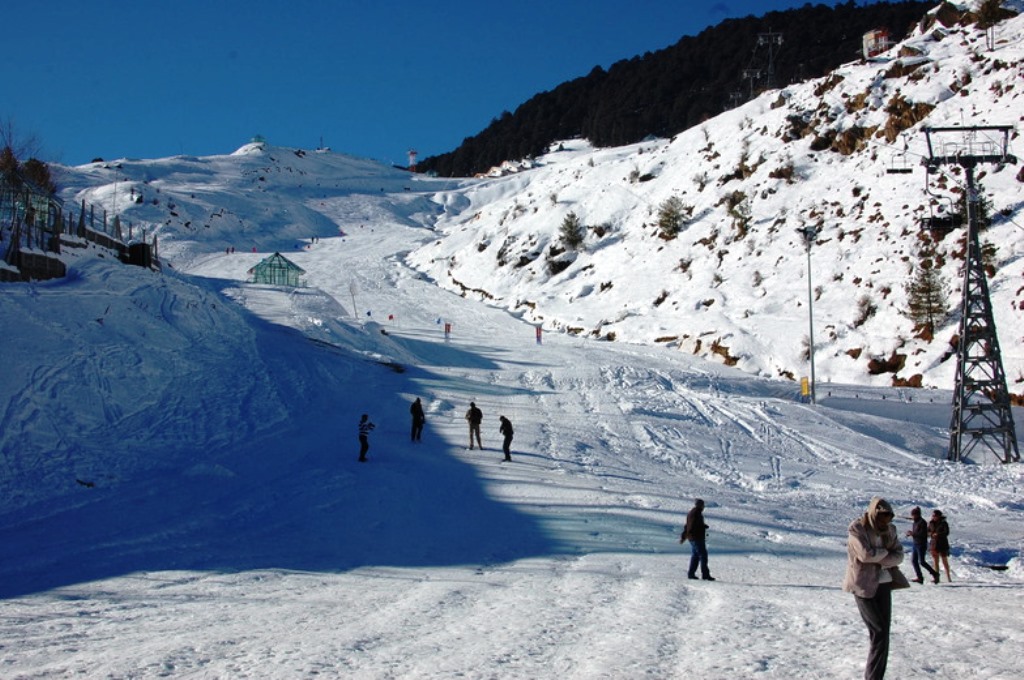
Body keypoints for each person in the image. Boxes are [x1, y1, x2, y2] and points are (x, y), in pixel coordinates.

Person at [843, 497, 909, 680]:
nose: (885, 521)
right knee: (878, 631)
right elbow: (865, 554)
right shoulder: (858, 528)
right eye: (881, 516)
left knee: (883, 634)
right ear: (874, 513)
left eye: (888, 517)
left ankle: (876, 676)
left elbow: (899, 556)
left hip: (884, 583)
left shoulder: (890, 530)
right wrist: (886, 555)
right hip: (863, 586)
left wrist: (879, 555)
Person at [680, 498, 714, 581]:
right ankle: (705, 575)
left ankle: (691, 574)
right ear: (699, 505)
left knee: (695, 556)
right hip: (696, 538)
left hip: (693, 538)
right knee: (703, 556)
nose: (703, 507)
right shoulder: (696, 513)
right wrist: (686, 535)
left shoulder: (693, 512)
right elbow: (691, 526)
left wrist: (702, 526)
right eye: (702, 505)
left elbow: (688, 525)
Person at [905, 507, 938, 584]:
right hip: (915, 543)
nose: (912, 517)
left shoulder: (922, 522)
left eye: (913, 515)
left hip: (921, 544)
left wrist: (913, 533)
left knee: (922, 562)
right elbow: (916, 533)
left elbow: (923, 534)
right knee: (914, 561)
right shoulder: (915, 522)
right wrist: (911, 533)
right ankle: (920, 577)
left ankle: (935, 574)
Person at [929, 509, 952, 583]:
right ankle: (936, 577)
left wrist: (938, 534)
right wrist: (931, 534)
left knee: (944, 561)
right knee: (935, 561)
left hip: (942, 544)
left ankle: (948, 577)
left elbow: (946, 532)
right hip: (934, 544)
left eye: (935, 516)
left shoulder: (943, 523)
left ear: (939, 516)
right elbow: (928, 531)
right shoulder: (931, 523)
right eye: (933, 515)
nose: (933, 517)